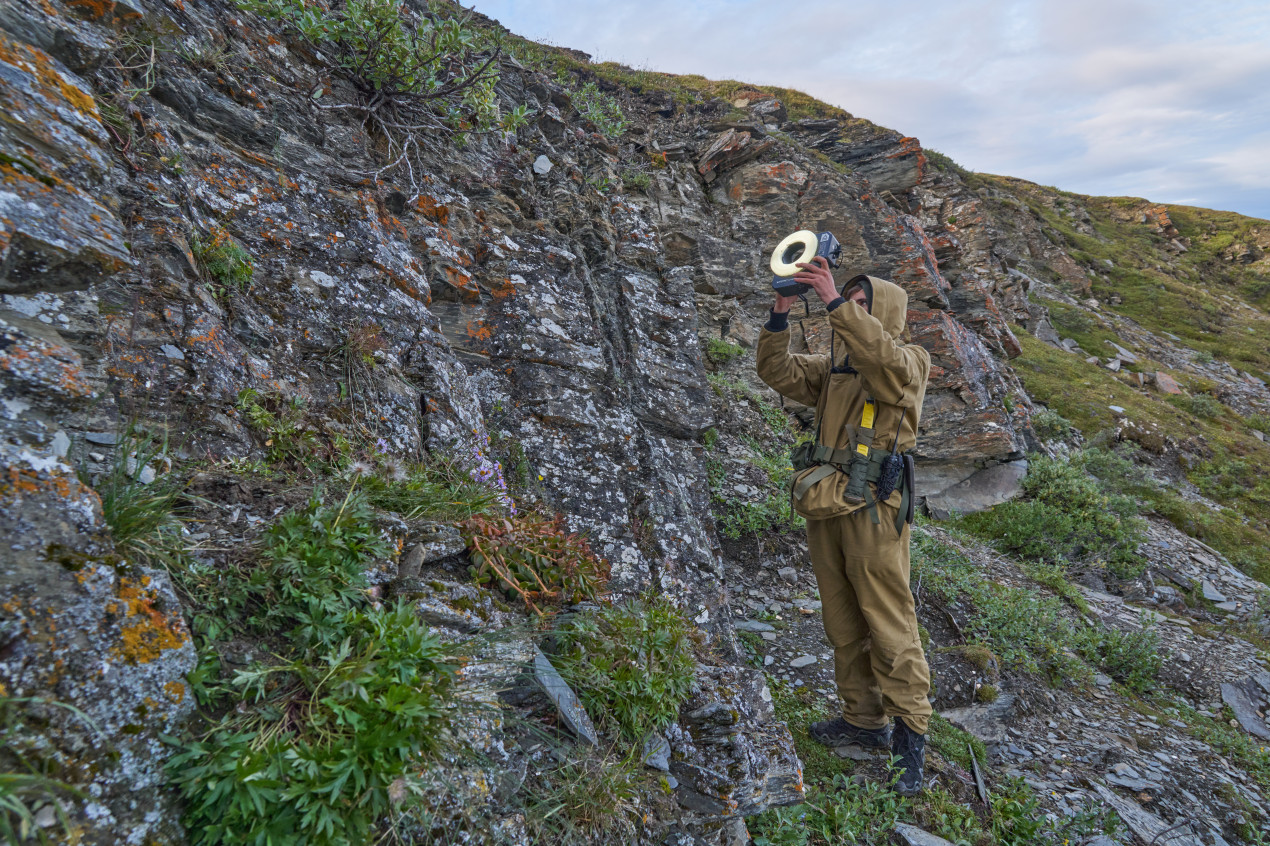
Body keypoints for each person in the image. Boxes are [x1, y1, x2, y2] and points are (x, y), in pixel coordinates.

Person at [755, 255, 932, 796]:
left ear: (886, 315)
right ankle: (863, 719)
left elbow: (885, 362)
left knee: (888, 619)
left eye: (860, 305)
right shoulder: (837, 372)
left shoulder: (908, 361)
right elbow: (777, 373)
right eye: (846, 301)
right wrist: (781, 313)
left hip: (875, 509)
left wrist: (834, 301)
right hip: (830, 503)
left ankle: (912, 736)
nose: (847, 310)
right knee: (840, 615)